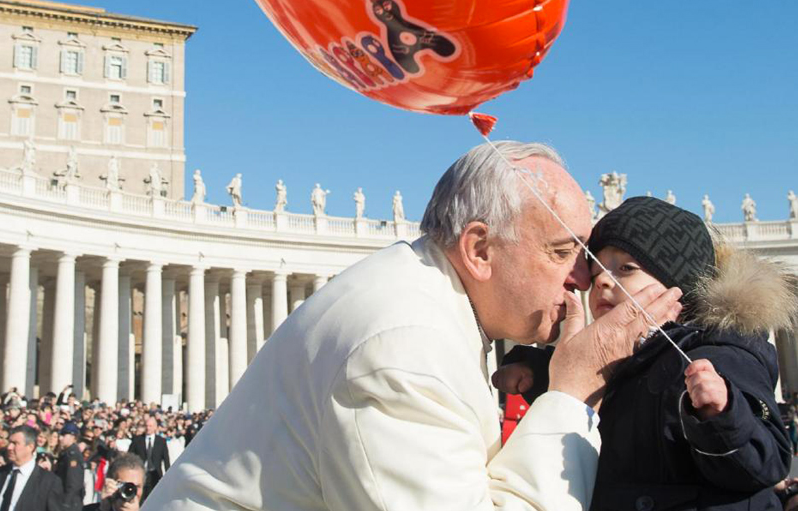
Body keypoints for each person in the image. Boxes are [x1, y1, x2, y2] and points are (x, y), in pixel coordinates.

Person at [144, 141, 682, 510]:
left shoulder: (426, 301)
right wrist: (570, 393)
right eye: (564, 251)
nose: (584, 278)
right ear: (479, 249)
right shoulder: (403, 346)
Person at [494, 196, 794, 511]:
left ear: (678, 285)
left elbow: (768, 462)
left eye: (627, 268)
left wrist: (721, 416)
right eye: (596, 273)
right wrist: (539, 372)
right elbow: (609, 396)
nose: (603, 282)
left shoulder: (720, 353)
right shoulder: (627, 359)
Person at [0, 425, 63, 511]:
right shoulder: (1, 473)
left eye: (15, 443)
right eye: (9, 442)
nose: (9, 447)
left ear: (30, 447)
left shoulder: (49, 482)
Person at [129, 417, 169, 501]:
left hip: (155, 474)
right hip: (141, 474)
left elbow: (166, 460)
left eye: (150, 426)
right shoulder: (137, 440)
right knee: (140, 498)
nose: (148, 428)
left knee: (154, 499)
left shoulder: (161, 441)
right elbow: (130, 456)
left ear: (155, 427)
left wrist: (168, 476)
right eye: (146, 426)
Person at [56, 421, 85, 510]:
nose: (60, 438)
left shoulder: (72, 455)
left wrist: (66, 503)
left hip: (70, 503)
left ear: (73, 437)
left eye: (64, 435)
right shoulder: (66, 453)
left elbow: (73, 483)